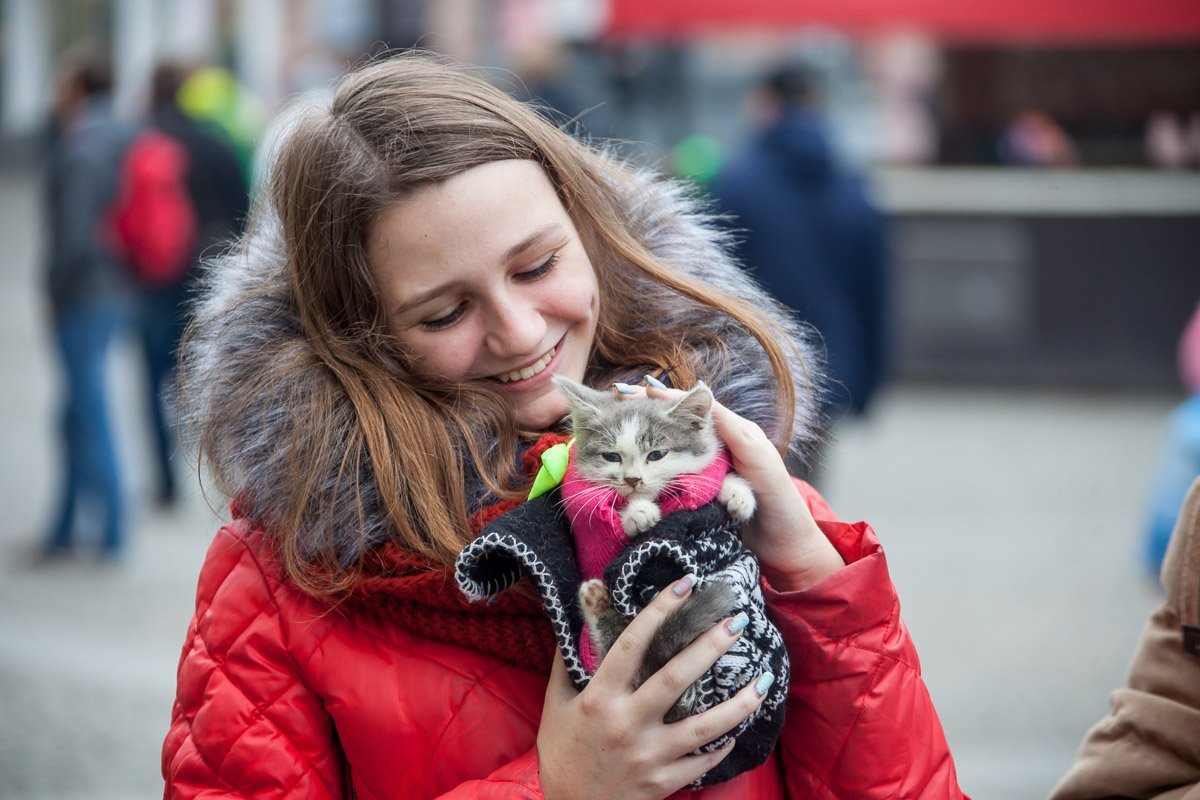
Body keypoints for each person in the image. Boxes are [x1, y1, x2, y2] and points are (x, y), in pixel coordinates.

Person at [162, 52, 967, 798]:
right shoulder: (281, 582)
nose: (519, 334)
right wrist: (555, 787)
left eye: (538, 265)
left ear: (589, 229)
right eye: (444, 313)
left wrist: (816, 586)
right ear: (358, 337)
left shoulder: (723, 482)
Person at [711, 64, 888, 481]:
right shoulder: (853, 186)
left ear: (768, 104)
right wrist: (870, 381)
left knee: (750, 492)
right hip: (830, 371)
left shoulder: (736, 182)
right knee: (806, 492)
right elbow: (875, 292)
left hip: (753, 369)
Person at [134, 63, 248, 507]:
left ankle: (165, 482)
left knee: (153, 378)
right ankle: (215, 472)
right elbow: (242, 211)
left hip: (156, 278)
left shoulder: (144, 141)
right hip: (206, 278)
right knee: (203, 374)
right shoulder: (215, 142)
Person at [39, 53, 134, 560]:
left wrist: (55, 293)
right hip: (116, 285)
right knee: (75, 413)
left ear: (79, 87)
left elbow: (73, 238)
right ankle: (64, 527)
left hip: (84, 295)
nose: (55, 89)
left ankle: (113, 530)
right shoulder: (122, 133)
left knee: (89, 411)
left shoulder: (79, 145)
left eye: (62, 79)